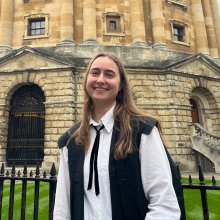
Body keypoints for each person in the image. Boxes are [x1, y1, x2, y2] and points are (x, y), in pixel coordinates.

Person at [53, 52, 181, 220]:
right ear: (86, 82)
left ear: (120, 85)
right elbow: (63, 207)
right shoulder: (70, 140)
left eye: (109, 74)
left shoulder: (143, 131)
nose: (100, 80)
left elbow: (164, 204)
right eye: (95, 72)